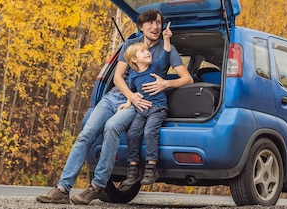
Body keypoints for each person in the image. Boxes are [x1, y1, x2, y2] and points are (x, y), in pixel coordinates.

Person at [35, 9, 192, 205]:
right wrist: (130, 96)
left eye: (158, 23)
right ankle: (62, 188)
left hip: (141, 102)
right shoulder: (130, 44)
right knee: (87, 133)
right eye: (150, 23)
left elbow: (187, 78)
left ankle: (97, 186)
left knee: (111, 128)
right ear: (141, 27)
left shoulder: (167, 50)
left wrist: (165, 83)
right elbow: (117, 77)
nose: (155, 27)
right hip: (118, 97)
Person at [119, 21, 172, 187]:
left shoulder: (156, 67)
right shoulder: (133, 76)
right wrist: (128, 102)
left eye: (147, 51)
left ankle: (151, 166)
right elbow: (132, 91)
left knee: (150, 131)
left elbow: (166, 55)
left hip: (157, 109)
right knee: (133, 133)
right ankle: (133, 167)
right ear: (134, 59)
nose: (148, 53)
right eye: (143, 52)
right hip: (141, 109)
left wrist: (166, 39)